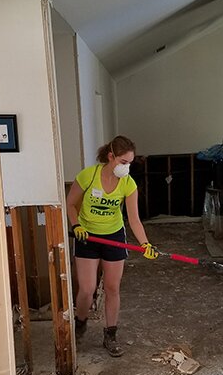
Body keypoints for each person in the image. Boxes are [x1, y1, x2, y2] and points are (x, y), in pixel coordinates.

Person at [66, 135, 158, 357]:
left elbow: (134, 219)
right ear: (111, 157)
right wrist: (76, 225)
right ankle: (80, 321)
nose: (126, 167)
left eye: (130, 163)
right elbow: (70, 203)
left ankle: (111, 334)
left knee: (112, 288)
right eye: (123, 162)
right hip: (87, 236)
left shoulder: (128, 183)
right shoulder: (89, 175)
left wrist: (145, 243)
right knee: (87, 290)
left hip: (114, 236)